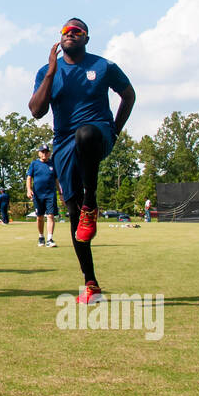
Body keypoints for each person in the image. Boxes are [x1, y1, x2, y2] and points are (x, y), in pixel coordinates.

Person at [28, 19, 135, 304]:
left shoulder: (103, 66)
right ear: (59, 39)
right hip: (63, 143)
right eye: (66, 31)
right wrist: (51, 72)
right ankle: (91, 285)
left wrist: (115, 129)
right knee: (74, 214)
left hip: (97, 133)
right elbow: (36, 111)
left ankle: (92, 202)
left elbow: (129, 94)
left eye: (77, 31)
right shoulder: (47, 71)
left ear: (86, 39)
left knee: (85, 133)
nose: (71, 33)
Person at [26, 144, 58, 247]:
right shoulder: (34, 164)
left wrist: (61, 193)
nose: (44, 154)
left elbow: (57, 180)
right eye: (42, 152)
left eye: (46, 152)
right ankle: (41, 236)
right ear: (39, 153)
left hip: (50, 194)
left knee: (50, 215)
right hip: (38, 195)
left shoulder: (53, 164)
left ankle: (50, 238)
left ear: (49, 153)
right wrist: (29, 189)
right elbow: (29, 177)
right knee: (39, 217)